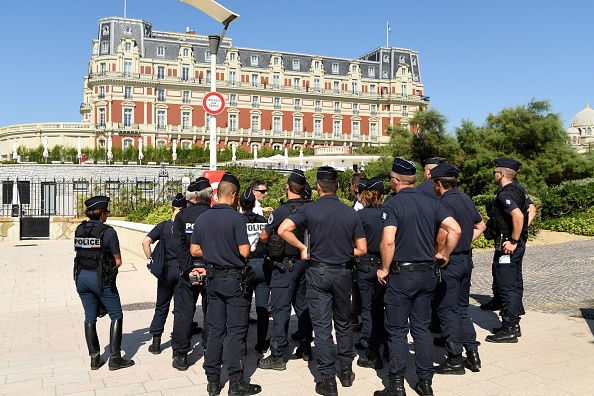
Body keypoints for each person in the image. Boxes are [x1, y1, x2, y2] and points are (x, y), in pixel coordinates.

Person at [374, 158, 461, 396]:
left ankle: (396, 385)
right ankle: (425, 382)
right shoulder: (431, 202)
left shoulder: (392, 205)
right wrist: (443, 253)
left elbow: (389, 240)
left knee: (398, 330)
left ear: (394, 181)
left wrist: (383, 268)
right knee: (422, 329)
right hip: (427, 274)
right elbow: (456, 229)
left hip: (402, 276)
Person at [279, 166, 367, 396]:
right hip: (343, 272)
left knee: (322, 328)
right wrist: (343, 252)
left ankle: (328, 380)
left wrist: (302, 247)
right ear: (337, 186)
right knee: (343, 322)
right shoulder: (350, 212)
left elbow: (283, 229)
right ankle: (346, 372)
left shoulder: (309, 209)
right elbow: (362, 248)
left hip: (318, 271)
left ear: (318, 187)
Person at [190, 172, 262, 396]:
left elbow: (194, 250)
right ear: (233, 196)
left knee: (215, 332)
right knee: (236, 333)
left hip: (213, 281)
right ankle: (235, 382)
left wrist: (214, 251)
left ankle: (212, 381)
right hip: (235, 281)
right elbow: (244, 251)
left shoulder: (202, 219)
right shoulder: (236, 218)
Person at [430, 164, 486, 374]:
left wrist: (441, 252)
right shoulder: (465, 198)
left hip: (450, 263)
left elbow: (445, 233)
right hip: (465, 260)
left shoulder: (444, 202)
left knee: (447, 310)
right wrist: (463, 242)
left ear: (438, 183)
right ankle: (472, 354)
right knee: (462, 309)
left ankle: (455, 358)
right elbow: (481, 226)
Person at [258, 169, 313, 371]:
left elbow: (264, 236)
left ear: (288, 187)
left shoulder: (281, 212)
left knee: (281, 309)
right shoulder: (310, 209)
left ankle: (278, 354)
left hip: (284, 266)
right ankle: (306, 346)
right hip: (304, 264)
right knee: (303, 306)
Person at [74, 195, 134, 371]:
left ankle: (94, 358)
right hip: (100, 279)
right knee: (116, 315)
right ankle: (115, 358)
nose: (107, 215)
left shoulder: (79, 229)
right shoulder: (108, 232)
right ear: (101, 213)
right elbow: (118, 261)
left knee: (89, 317)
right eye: (106, 211)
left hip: (81, 278)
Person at [484, 158, 536, 343]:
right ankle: (512, 324)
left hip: (508, 246)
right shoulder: (519, 190)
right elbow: (532, 209)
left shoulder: (505, 195)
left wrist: (513, 239)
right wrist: (521, 233)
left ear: (501, 174)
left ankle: (510, 328)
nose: (493, 175)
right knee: (514, 283)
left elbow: (518, 215)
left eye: (494, 172)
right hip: (515, 244)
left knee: (506, 286)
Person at [171, 177, 212, 370]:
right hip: (211, 269)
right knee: (211, 312)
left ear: (194, 196)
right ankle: (209, 350)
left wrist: (188, 269)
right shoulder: (214, 215)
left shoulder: (182, 216)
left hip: (188, 269)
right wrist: (207, 267)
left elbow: (178, 247)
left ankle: (180, 355)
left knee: (185, 312)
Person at [142, 193, 187, 355]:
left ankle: (155, 342)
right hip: (182, 270)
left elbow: (145, 241)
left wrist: (150, 259)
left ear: (172, 209)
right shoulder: (185, 227)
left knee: (161, 306)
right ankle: (178, 342)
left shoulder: (164, 226)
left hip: (166, 271)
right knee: (180, 309)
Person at [354, 177, 388, 370]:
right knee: (382, 307)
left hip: (365, 266)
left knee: (366, 310)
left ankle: (370, 345)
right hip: (384, 265)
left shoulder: (359, 216)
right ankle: (384, 341)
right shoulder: (388, 214)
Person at [239, 188, 271, 354]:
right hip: (262, 264)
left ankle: (241, 343)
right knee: (262, 307)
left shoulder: (237, 221)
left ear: (240, 204)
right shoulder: (263, 220)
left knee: (243, 306)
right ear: (253, 204)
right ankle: (262, 343)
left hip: (245, 266)